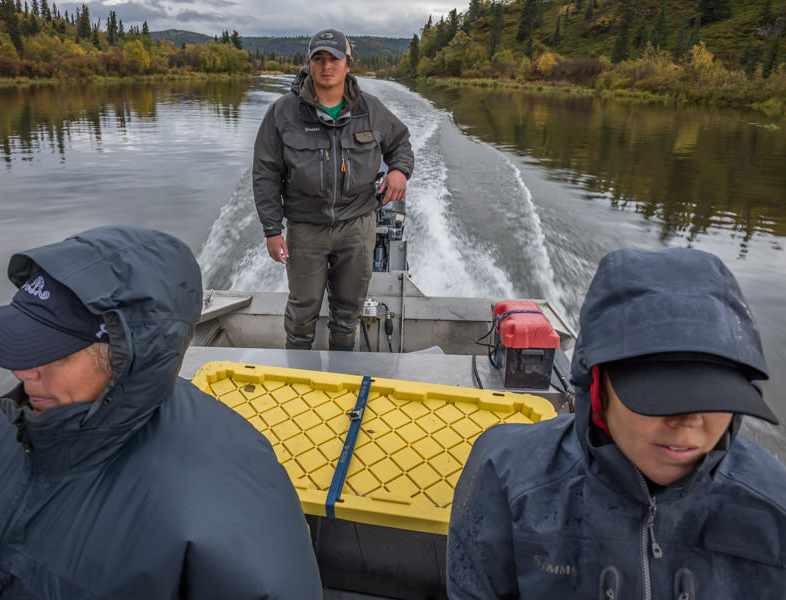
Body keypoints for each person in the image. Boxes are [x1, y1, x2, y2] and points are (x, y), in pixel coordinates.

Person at [0, 225, 323, 599]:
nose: (21, 371)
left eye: (52, 351)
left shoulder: (222, 507)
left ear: (125, 358)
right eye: (23, 339)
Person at [447, 247, 786, 598]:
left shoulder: (776, 506)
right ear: (597, 387)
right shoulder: (506, 476)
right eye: (658, 394)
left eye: (715, 395)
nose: (689, 422)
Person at [252, 28, 414, 351]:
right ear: (309, 64)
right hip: (305, 228)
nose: (327, 66)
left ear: (348, 64)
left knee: (348, 315)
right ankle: (297, 382)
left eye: (334, 59)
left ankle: (341, 382)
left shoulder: (371, 110)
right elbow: (265, 172)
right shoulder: (283, 112)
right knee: (302, 312)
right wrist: (272, 230)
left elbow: (401, 144)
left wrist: (399, 171)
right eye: (319, 59)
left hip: (357, 226)